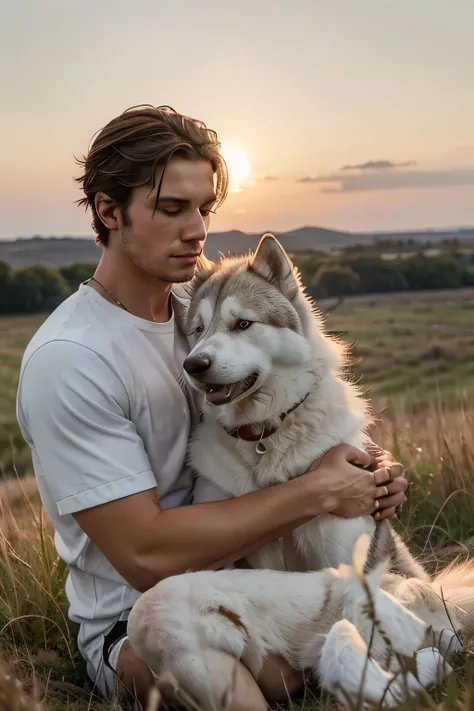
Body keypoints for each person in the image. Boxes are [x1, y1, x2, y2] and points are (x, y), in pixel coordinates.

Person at [16, 105, 408, 710]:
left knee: (394, 604)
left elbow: (293, 391)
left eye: (204, 209)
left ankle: (375, 652)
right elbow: (147, 556)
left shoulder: (196, 312)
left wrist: (363, 467)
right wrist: (321, 492)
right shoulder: (71, 357)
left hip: (259, 583)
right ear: (107, 210)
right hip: (137, 624)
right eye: (171, 208)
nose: (197, 230)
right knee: (170, 621)